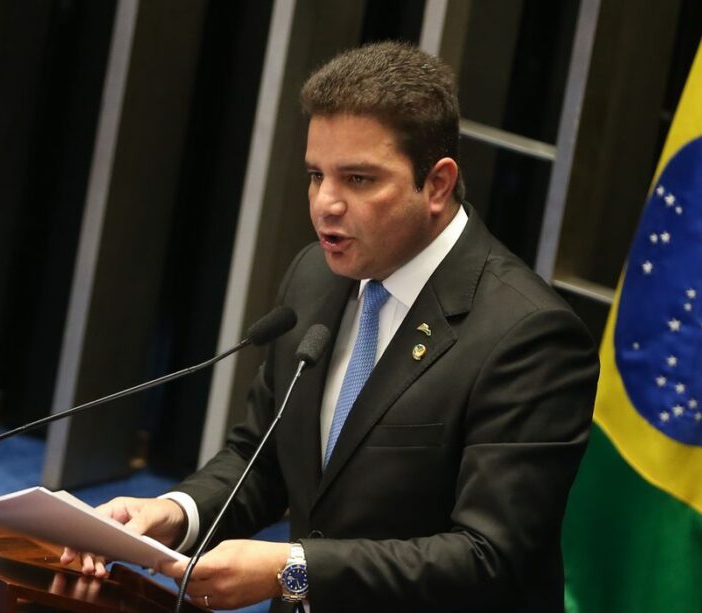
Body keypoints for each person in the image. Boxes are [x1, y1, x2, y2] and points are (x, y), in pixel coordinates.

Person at [62, 41, 599, 612]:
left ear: (437, 184)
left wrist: (292, 570)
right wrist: (176, 513)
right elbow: (264, 455)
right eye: (316, 175)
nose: (325, 204)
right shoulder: (315, 276)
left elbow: (489, 557)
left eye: (359, 180)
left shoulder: (528, 335)